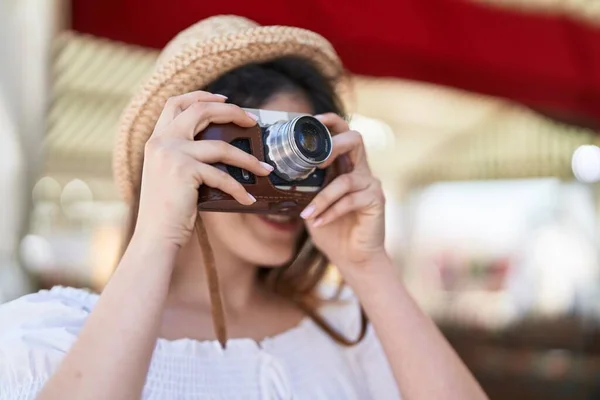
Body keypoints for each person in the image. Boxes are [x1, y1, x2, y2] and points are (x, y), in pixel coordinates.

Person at [0, 15, 487, 400]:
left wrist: (368, 267)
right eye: (260, 146)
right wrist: (156, 235)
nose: (289, 171)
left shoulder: (346, 329)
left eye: (304, 149)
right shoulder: (52, 334)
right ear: (184, 151)